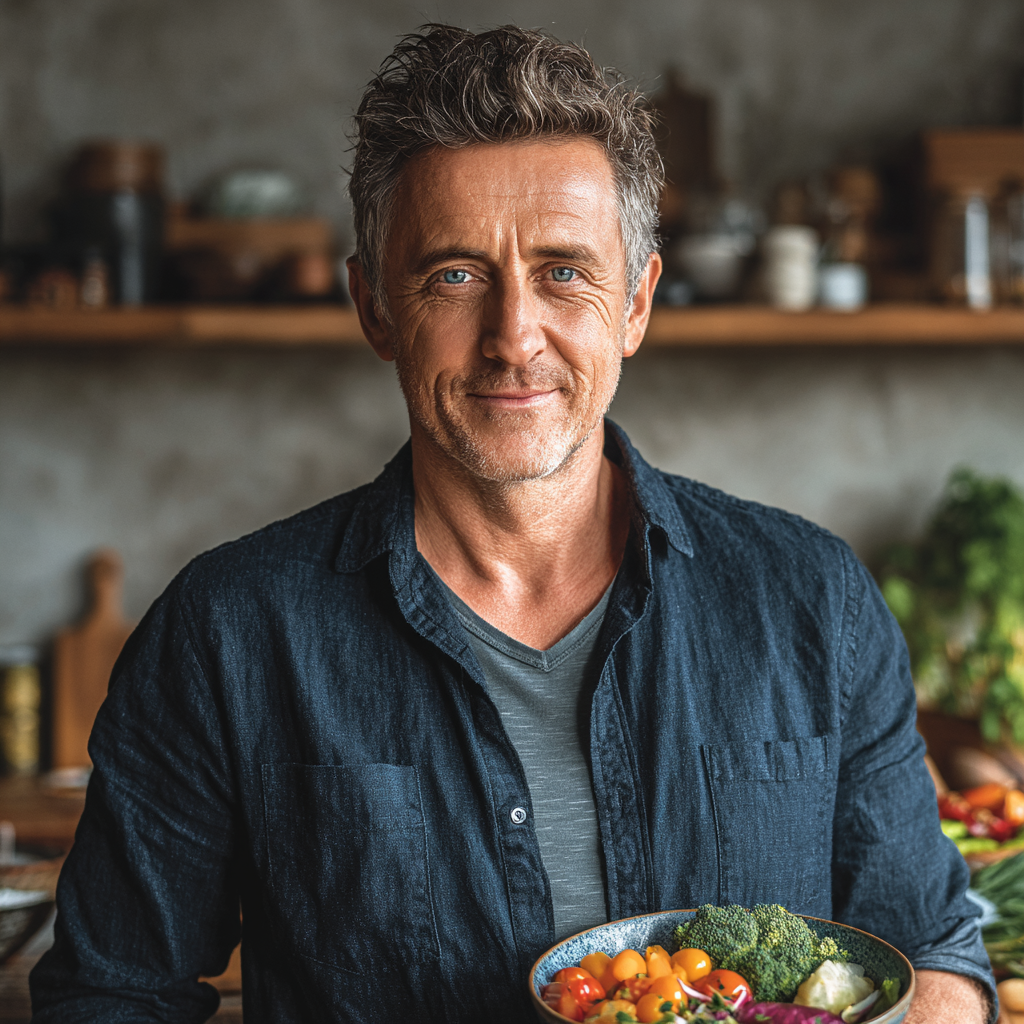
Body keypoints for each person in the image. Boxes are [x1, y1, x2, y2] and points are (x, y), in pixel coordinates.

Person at [32, 25, 994, 1024]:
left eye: (565, 271)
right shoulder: (226, 632)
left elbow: (929, 959)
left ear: (636, 303)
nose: (512, 336)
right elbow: (111, 996)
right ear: (372, 308)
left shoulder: (813, 599)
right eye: (453, 273)